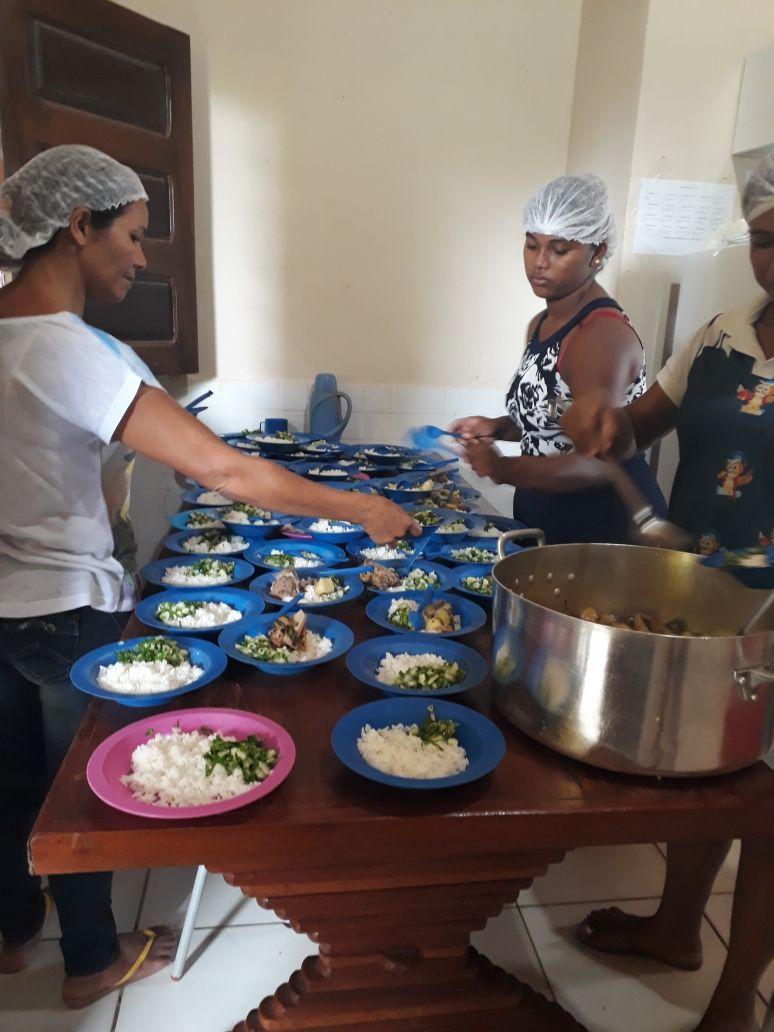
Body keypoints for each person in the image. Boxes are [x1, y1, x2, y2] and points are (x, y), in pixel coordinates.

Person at [0, 145, 418, 1008]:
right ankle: (89, 961)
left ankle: (11, 937)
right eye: (134, 234)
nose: (143, 256)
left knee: (7, 782)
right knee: (71, 793)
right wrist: (362, 510)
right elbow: (228, 472)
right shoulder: (66, 350)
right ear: (78, 226)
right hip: (59, 607)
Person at [562, 153, 774, 1032]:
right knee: (708, 772)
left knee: (767, 810)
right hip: (700, 594)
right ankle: (677, 927)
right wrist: (605, 422)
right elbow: (643, 422)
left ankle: (735, 1003)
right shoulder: (725, 331)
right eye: (767, 237)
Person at [450, 173, 665, 543]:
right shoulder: (543, 324)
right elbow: (556, 419)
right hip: (550, 523)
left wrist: (503, 468)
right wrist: (499, 427)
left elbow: (596, 460)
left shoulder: (599, 335)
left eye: (559, 249)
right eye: (532, 246)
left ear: (597, 252)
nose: (540, 262)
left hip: (599, 531)